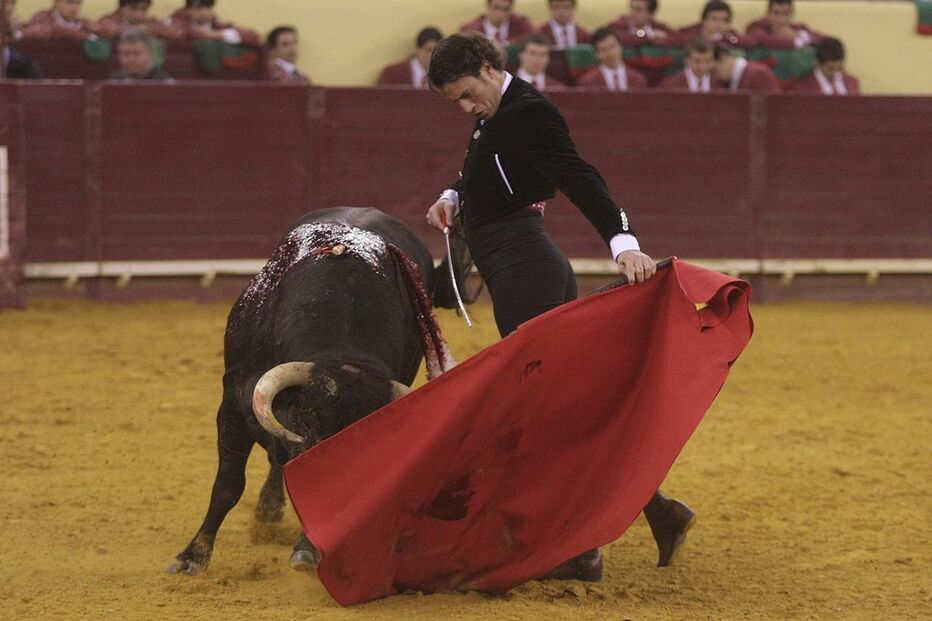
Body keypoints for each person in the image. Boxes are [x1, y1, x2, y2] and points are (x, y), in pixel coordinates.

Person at [425, 33, 695, 579]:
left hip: (525, 266)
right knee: (566, 403)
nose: (464, 107)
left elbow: (580, 177)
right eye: (454, 100)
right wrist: (454, 195)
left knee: (543, 409)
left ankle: (579, 549)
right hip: (519, 264)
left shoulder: (529, 112)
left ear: (486, 66)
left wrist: (624, 243)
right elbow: (484, 162)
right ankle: (656, 510)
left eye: (465, 93)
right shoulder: (499, 109)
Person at [575, 27, 646, 91]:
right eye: (603, 49)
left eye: (612, 47)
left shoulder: (638, 79)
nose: (610, 53)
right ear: (596, 54)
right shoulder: (587, 82)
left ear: (621, 46)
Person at [170, 0, 261, 47]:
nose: (204, 13)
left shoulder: (218, 25)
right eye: (199, 8)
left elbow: (253, 36)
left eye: (208, 8)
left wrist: (219, 34)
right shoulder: (178, 22)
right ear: (188, 10)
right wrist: (220, 35)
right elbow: (179, 33)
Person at [377, 26, 443, 88]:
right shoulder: (391, 74)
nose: (432, 55)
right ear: (417, 49)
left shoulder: (444, 76)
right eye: (428, 50)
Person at [678, 0, 757, 50]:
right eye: (714, 19)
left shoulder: (730, 34)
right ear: (704, 20)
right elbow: (676, 38)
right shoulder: (694, 31)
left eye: (723, 20)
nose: (719, 24)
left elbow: (749, 44)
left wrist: (728, 37)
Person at [793, 37, 860, 95]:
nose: (834, 70)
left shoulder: (851, 82)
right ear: (817, 62)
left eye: (837, 65)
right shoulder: (804, 86)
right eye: (829, 67)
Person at [746, 0, 823, 49]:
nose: (781, 19)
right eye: (776, 13)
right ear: (768, 14)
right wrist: (797, 41)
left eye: (786, 14)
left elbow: (822, 39)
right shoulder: (756, 26)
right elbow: (765, 40)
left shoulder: (797, 27)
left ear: (792, 14)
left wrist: (801, 35)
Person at [607, 0, 681, 48]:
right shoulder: (618, 25)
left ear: (651, 14)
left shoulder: (658, 27)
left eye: (638, 10)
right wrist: (648, 36)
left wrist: (664, 39)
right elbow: (614, 37)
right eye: (631, 8)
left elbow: (678, 39)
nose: (632, 13)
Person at [97, 0, 184, 40]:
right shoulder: (109, 20)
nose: (141, 14)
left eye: (144, 10)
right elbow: (105, 30)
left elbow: (176, 32)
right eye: (135, 9)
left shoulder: (151, 21)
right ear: (123, 9)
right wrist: (138, 30)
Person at [459, 0, 534, 45]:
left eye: (505, 9)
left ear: (511, 10)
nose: (500, 13)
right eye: (496, 8)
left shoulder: (522, 27)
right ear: (488, 6)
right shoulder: (470, 30)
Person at [713, 45, 780, 93]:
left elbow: (774, 105)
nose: (715, 77)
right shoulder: (727, 81)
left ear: (723, 57)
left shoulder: (758, 74)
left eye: (714, 71)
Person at [20, 0, 100, 40]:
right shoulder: (42, 19)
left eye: (78, 3)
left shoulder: (84, 24)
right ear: (57, 2)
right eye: (70, 2)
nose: (74, 8)